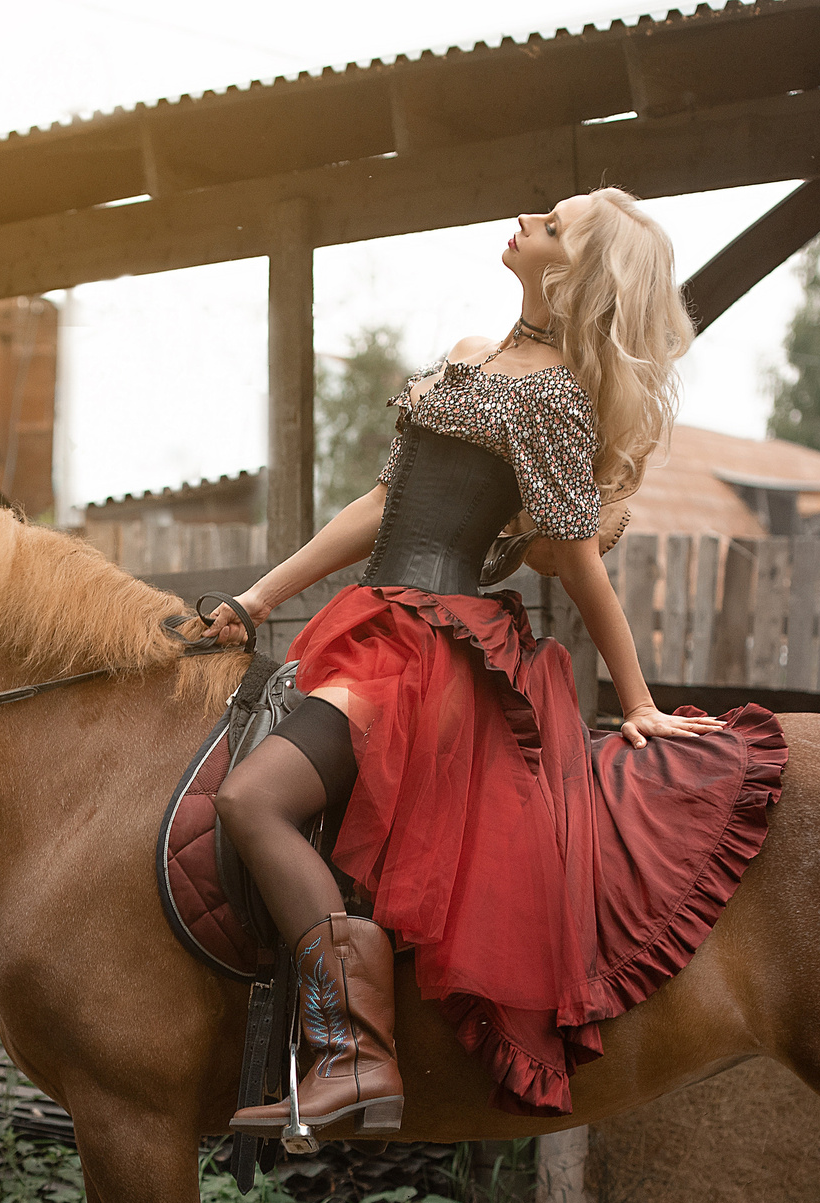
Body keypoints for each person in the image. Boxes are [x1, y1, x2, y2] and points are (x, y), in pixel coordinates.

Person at [206, 187, 721, 1135]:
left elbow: (579, 564)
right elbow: (379, 506)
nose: (528, 220)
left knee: (250, 800)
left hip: (433, 654)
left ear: (572, 275)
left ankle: (355, 1054)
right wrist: (258, 598)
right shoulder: (466, 356)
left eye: (553, 225)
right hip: (375, 626)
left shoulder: (555, 398)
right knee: (255, 795)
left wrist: (641, 700)